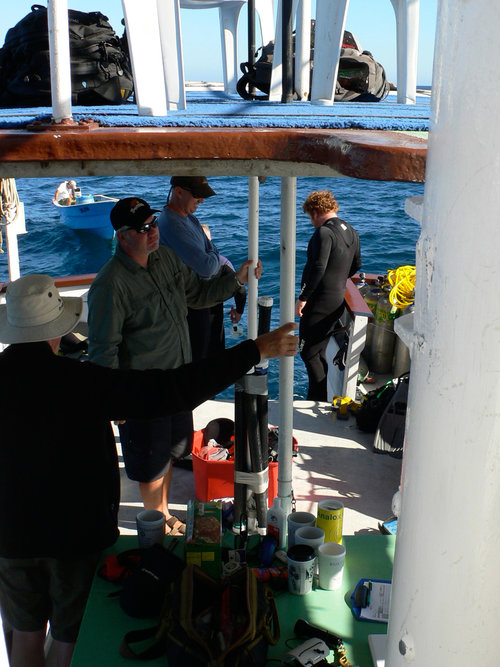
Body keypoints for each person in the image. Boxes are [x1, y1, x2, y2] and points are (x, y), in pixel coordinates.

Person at [0, 273, 297, 667]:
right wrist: (254, 350)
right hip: (72, 538)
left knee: (26, 636)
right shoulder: (80, 381)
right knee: (71, 636)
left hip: (10, 538)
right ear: (56, 330)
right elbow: (169, 389)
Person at [88, 196, 262, 536]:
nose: (153, 232)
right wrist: (113, 398)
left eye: (153, 224)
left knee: (170, 451)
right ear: (122, 237)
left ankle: (163, 511)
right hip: (141, 392)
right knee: (150, 463)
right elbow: (103, 348)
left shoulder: (166, 258)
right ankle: (158, 520)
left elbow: (198, 293)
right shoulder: (109, 285)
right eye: (142, 228)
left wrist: (236, 279)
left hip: (176, 381)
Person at [158, 175, 241, 361]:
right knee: (198, 362)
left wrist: (208, 252)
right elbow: (208, 268)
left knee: (212, 357)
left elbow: (211, 252)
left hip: (202, 298)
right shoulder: (172, 224)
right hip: (188, 306)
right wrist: (210, 252)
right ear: (178, 192)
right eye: (197, 195)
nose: (202, 200)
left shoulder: (191, 219)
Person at [295, 190, 361, 401]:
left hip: (319, 303)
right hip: (337, 300)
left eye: (309, 216)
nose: (311, 221)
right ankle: (321, 397)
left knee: (308, 352)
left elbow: (318, 267)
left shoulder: (323, 233)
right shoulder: (351, 231)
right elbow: (356, 266)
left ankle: (317, 400)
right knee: (319, 351)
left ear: (315, 212)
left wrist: (303, 297)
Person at [201, 223, 246, 356]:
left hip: (189, 318)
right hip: (214, 317)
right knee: (215, 353)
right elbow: (240, 288)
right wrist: (238, 311)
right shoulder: (223, 263)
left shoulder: (183, 261)